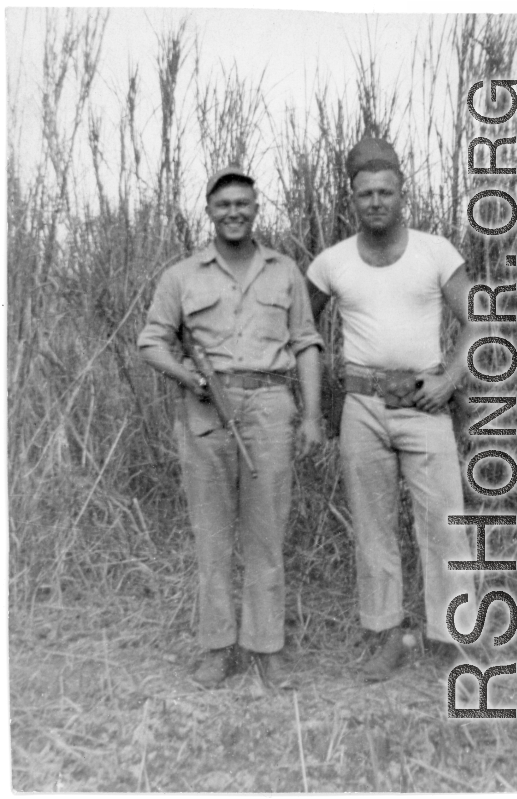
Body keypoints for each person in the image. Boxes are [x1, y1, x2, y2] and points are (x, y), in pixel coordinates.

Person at [138, 166, 323, 688]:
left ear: (256, 209)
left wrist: (310, 416)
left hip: (269, 405)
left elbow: (306, 343)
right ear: (210, 212)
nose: (234, 212)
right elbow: (151, 341)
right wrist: (189, 376)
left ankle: (267, 648)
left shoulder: (285, 270)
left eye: (243, 203)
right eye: (224, 205)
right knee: (213, 538)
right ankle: (218, 647)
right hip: (205, 412)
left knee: (267, 535)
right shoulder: (181, 276)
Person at [307, 138, 476, 682]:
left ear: (403, 193)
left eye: (386, 191)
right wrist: (329, 399)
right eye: (365, 194)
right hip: (363, 408)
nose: (375, 201)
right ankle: (386, 635)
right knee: (373, 526)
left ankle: (450, 635)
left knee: (446, 522)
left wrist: (450, 376)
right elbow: (298, 330)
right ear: (351, 199)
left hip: (425, 405)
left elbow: (481, 317)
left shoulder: (435, 251)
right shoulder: (330, 262)